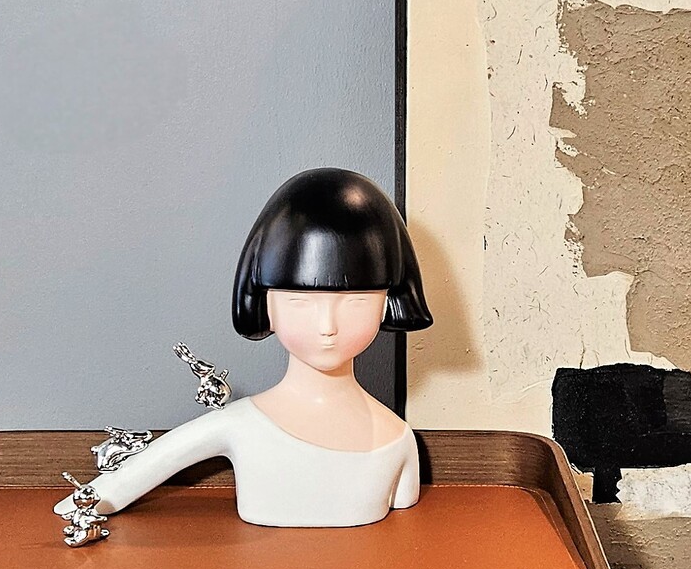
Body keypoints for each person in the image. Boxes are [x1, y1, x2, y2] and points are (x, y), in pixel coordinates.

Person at [56, 168, 433, 530]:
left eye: (355, 301)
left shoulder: (397, 440)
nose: (327, 326)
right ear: (266, 304)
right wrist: (89, 501)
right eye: (300, 301)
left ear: (387, 303)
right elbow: (116, 487)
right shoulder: (239, 425)